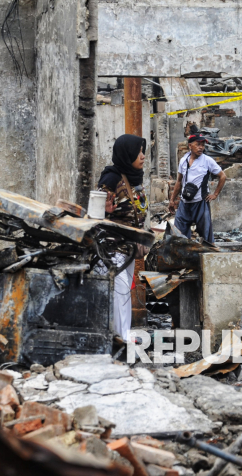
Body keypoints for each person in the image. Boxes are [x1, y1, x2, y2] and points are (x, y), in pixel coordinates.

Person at [96, 134, 148, 343]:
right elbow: (96, 211)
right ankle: (121, 336)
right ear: (127, 155)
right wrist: (105, 210)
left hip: (127, 248)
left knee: (124, 289)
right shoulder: (111, 178)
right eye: (139, 152)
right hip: (111, 246)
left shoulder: (134, 177)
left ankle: (121, 333)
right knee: (119, 290)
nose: (143, 156)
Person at [168, 134, 227, 243]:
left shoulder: (207, 160)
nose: (201, 147)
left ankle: (207, 255)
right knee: (178, 234)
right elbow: (179, 181)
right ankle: (184, 255)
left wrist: (215, 194)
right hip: (184, 202)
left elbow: (223, 176)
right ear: (190, 145)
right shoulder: (183, 160)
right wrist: (172, 200)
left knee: (205, 235)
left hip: (201, 202)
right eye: (198, 144)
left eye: (203, 145)